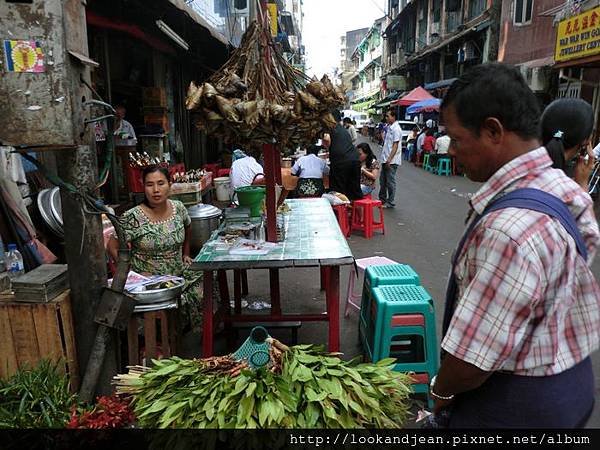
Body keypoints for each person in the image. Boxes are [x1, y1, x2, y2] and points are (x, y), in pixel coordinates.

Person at [433, 63, 600, 428]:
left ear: (493, 130)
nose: (451, 152)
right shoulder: (566, 188)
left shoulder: (508, 230)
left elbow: (472, 360)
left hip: (516, 406)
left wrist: (440, 392)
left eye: (457, 139)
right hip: (572, 385)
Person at [107, 166, 202, 328]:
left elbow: (188, 227)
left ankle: (194, 327)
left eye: (161, 183)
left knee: (207, 276)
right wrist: (131, 273)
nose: (156, 190)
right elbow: (112, 246)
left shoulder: (178, 208)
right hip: (150, 281)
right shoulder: (133, 217)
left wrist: (186, 253)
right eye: (149, 185)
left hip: (177, 273)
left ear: (169, 185)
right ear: (143, 187)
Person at [540, 98, 596, 191]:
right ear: (586, 140)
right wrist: (582, 183)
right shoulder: (573, 196)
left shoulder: (520, 165)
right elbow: (580, 204)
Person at [323, 110, 363, 200]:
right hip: (355, 161)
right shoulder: (342, 129)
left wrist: (328, 147)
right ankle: (356, 212)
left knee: (338, 192)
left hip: (341, 162)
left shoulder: (330, 128)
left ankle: (341, 212)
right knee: (354, 191)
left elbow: (326, 138)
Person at [379, 108, 402, 208]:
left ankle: (390, 201)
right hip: (385, 159)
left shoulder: (397, 129)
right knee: (382, 180)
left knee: (390, 182)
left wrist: (389, 159)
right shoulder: (389, 127)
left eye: (388, 116)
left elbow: (395, 145)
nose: (386, 118)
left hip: (391, 160)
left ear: (393, 117)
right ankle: (382, 199)